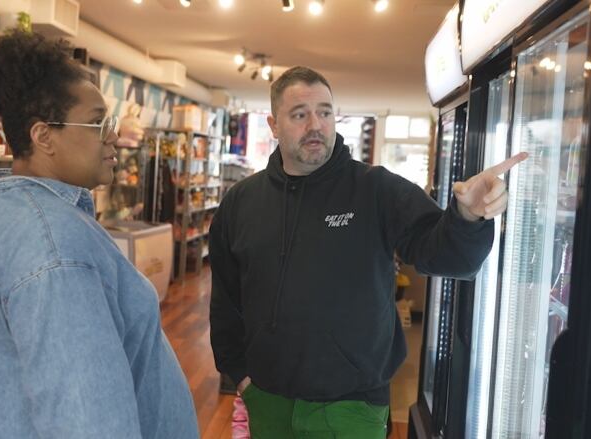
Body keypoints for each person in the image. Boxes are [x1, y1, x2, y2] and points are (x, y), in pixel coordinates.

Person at [209, 66, 526, 439]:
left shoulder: (376, 190)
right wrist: (240, 375)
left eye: (325, 112)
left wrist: (467, 217)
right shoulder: (241, 203)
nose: (316, 125)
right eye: (299, 114)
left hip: (352, 406)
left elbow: (444, 255)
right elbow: (225, 299)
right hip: (266, 398)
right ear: (273, 125)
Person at [0, 31, 198, 439]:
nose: (114, 136)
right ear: (43, 136)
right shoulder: (54, 249)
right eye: (99, 122)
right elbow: (88, 420)